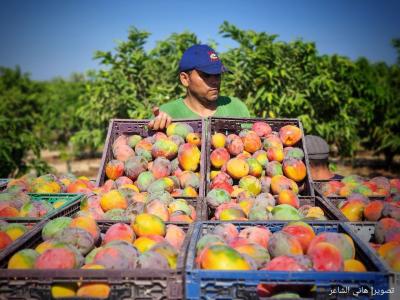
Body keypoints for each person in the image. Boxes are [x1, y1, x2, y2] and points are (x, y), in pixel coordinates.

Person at [148, 44, 250, 130]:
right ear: (185, 79)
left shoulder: (237, 108)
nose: (215, 81)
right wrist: (156, 130)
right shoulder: (168, 113)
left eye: (218, 74)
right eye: (206, 75)